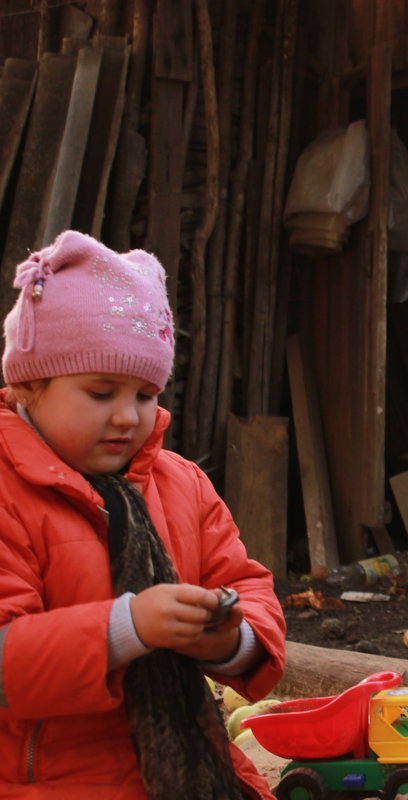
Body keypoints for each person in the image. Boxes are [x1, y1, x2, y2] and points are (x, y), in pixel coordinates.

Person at [0, 230, 287, 799]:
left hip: (193, 772)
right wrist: (128, 627)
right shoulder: (8, 492)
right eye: (102, 392)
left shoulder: (181, 484)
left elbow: (247, 586)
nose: (128, 417)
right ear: (29, 386)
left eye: (145, 393)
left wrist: (230, 641)